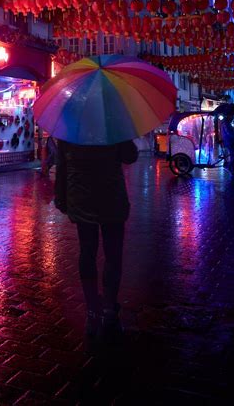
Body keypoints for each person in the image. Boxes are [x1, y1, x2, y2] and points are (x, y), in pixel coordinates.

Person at [54, 138, 138, 342]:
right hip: (112, 196)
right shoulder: (113, 124)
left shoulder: (71, 127)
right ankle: (109, 309)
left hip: (82, 197)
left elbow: (62, 165)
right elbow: (130, 156)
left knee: (87, 251)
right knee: (113, 254)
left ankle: (92, 311)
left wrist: (61, 197)